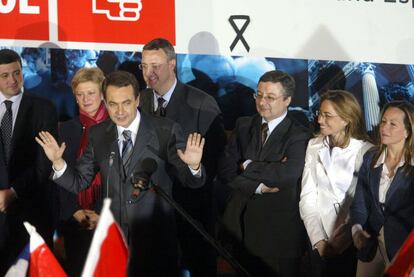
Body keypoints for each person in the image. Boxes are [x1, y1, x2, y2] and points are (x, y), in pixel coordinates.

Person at [36, 70, 206, 277]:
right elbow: (80, 182)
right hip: (114, 242)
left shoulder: (165, 130)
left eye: (125, 102)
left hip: (155, 240)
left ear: (137, 100)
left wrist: (194, 166)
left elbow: (191, 182)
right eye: (113, 104)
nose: (120, 111)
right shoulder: (98, 134)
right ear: (105, 103)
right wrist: (58, 161)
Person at [139, 38, 226, 276]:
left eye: (155, 66)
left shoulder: (201, 104)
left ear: (172, 64)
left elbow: (213, 163)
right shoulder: (138, 102)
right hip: (150, 216)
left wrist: (195, 169)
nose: (149, 73)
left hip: (191, 215)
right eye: (144, 66)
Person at [219, 70, 310, 277]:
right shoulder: (243, 125)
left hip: (278, 236)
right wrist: (258, 186)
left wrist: (248, 165)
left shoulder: (300, 134)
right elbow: (225, 169)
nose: (262, 102)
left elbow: (287, 175)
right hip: (239, 230)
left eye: (270, 97)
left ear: (287, 100)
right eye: (258, 95)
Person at [299, 90, 372, 277]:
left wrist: (338, 244)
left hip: (350, 240)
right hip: (317, 235)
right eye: (320, 114)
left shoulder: (366, 152)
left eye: (327, 115)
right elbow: (307, 196)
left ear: (347, 119)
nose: (320, 120)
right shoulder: (314, 145)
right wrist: (318, 240)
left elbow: (359, 203)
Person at [0, 49, 58, 274]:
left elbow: (44, 164)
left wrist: (13, 192)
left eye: (17, 73)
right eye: (4, 75)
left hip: (31, 215)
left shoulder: (44, 109)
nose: (12, 80)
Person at [350, 101, 414, 277]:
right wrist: (356, 229)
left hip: (404, 251)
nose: (385, 127)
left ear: (407, 132)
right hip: (370, 244)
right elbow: (360, 202)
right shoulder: (371, 158)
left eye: (393, 124)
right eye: (383, 121)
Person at [57, 67, 108, 276]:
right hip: (76, 221)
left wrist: (100, 213)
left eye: (91, 93)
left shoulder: (117, 126)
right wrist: (74, 211)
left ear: (103, 93)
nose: (85, 99)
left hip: (110, 218)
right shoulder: (66, 129)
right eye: (80, 94)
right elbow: (59, 173)